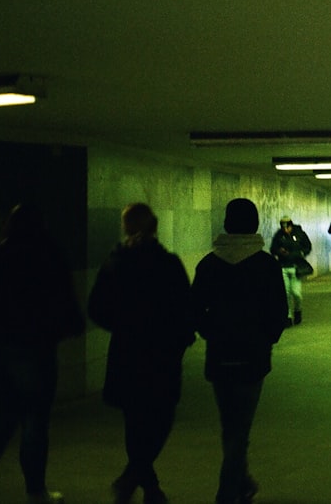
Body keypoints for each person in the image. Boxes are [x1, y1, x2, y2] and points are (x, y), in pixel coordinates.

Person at [0, 204, 85, 504]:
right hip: (33, 351)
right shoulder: (49, 258)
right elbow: (65, 305)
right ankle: (35, 492)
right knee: (34, 421)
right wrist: (68, 329)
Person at [88, 203, 195, 504]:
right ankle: (140, 481)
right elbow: (185, 308)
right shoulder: (168, 263)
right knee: (162, 417)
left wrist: (123, 327)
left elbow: (96, 308)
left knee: (135, 421)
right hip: (162, 353)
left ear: (126, 228)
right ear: (155, 226)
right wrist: (181, 339)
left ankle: (142, 482)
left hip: (128, 352)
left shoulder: (115, 263)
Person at [191, 198, 288, 504]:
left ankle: (241, 481)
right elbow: (278, 312)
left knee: (230, 425)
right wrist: (266, 338)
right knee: (239, 428)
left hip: (220, 354)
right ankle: (228, 491)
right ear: (255, 224)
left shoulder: (208, 264)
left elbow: (193, 309)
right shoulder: (266, 265)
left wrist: (211, 331)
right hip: (253, 355)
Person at [270, 216, 312, 326]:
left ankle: (297, 311)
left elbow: (308, 246)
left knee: (296, 293)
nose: (285, 230)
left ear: (291, 226)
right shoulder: (279, 235)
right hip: (283, 267)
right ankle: (287, 317)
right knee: (286, 293)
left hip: (296, 267)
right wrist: (279, 251)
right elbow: (272, 249)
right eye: (283, 227)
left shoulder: (299, 233)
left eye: (287, 227)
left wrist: (302, 253)